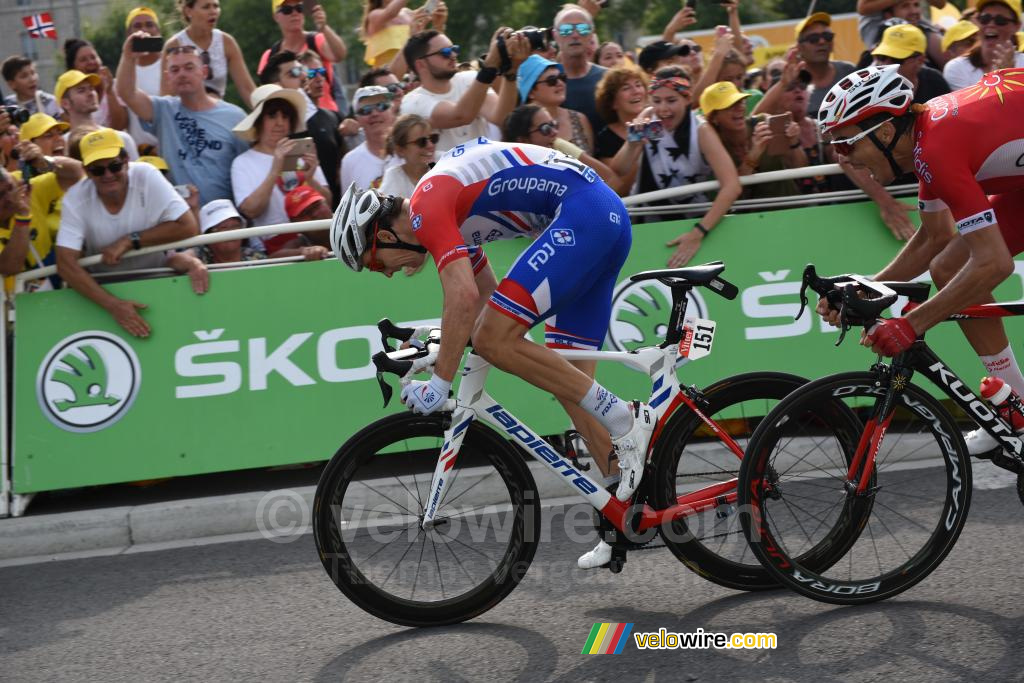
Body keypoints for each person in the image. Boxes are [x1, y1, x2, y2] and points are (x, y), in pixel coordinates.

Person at [329, 137, 655, 571]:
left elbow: (464, 299)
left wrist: (441, 384)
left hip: (584, 218)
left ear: (384, 234)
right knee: (567, 381)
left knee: (496, 341)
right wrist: (434, 346)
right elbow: (483, 298)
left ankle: (626, 419)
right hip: (595, 218)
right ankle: (625, 509)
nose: (386, 273)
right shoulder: (448, 215)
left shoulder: (426, 206)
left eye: (374, 262)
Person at [816, 65, 1024, 456]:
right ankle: (1017, 404)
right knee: (947, 267)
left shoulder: (936, 148)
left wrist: (911, 324)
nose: (843, 159)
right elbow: (933, 238)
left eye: (846, 144)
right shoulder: (925, 140)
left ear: (883, 132)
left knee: (973, 263)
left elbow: (994, 263)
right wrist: (865, 287)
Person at [55, 129, 203, 337]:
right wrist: (113, 305)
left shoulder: (147, 174)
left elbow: (188, 226)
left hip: (159, 277)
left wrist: (131, 240)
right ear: (87, 171)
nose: (107, 175)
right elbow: (65, 264)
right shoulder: (75, 198)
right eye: (98, 170)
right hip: (104, 289)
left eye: (114, 166)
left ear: (126, 160)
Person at [609, 71, 743, 265]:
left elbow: (732, 186)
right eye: (656, 100)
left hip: (692, 219)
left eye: (671, 100)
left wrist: (698, 233)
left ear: (687, 99)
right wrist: (632, 144)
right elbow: (619, 169)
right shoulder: (648, 118)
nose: (663, 109)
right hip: (647, 219)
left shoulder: (701, 130)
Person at [117, 35, 250, 205]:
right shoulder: (163, 110)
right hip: (182, 217)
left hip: (225, 219)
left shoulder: (235, 116)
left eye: (189, 67)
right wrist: (128, 56)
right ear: (167, 77)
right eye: (175, 70)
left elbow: (247, 169)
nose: (182, 74)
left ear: (204, 72)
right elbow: (127, 93)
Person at [400, 29, 526, 153]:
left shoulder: (470, 79)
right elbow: (461, 116)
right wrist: (489, 66)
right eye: (445, 52)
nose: (453, 55)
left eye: (454, 49)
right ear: (420, 64)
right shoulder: (411, 102)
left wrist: (511, 70)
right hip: (448, 173)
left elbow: (501, 118)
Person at [231, 84, 330, 227]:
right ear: (258, 121)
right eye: (272, 116)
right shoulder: (242, 163)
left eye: (285, 116)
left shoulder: (302, 154)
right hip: (272, 244)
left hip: (313, 238)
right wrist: (275, 170)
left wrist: (310, 179)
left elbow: (328, 202)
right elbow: (250, 211)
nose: (280, 123)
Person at [701, 80, 805, 199]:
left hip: (791, 208)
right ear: (714, 117)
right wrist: (754, 153)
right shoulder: (712, 146)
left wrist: (794, 142)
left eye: (740, 101)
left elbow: (800, 168)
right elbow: (734, 192)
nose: (739, 108)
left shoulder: (764, 123)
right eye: (729, 106)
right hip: (748, 215)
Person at [258, 0, 348, 113]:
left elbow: (339, 55)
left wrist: (324, 28)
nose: (294, 13)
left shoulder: (316, 40)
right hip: (293, 121)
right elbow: (264, 96)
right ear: (276, 16)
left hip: (327, 118)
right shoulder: (270, 56)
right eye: (287, 10)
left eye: (299, 8)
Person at [162, 0, 257, 105]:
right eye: (206, 7)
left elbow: (247, 89)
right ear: (189, 11)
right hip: (184, 115)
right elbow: (166, 96)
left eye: (216, 6)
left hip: (218, 113)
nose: (213, 11)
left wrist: (266, 111)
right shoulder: (174, 45)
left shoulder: (227, 42)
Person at [501, 104, 619, 187]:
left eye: (554, 124)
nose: (555, 132)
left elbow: (610, 179)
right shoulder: (511, 176)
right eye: (546, 129)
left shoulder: (559, 148)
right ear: (522, 141)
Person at [56, 70, 140, 160]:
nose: (91, 93)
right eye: (81, 90)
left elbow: (135, 173)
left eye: (91, 88)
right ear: (65, 103)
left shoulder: (121, 138)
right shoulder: (62, 146)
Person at [519, 55, 594, 154]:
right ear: (531, 92)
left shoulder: (579, 119)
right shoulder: (521, 128)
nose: (560, 83)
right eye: (551, 80)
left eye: (562, 78)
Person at [592, 66, 650, 194]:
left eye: (638, 85)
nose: (636, 91)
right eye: (626, 88)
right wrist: (636, 144)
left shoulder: (662, 123)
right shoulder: (605, 138)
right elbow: (617, 189)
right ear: (613, 103)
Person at [943, 0, 1024, 90]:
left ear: (1017, 26)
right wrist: (999, 77)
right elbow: (973, 104)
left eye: (1000, 20)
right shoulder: (957, 68)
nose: (991, 24)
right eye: (985, 19)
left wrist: (1009, 76)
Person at [553, 4, 607, 135]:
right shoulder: (545, 83)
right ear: (555, 35)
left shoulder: (608, 79)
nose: (575, 35)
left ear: (592, 34)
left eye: (582, 29)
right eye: (566, 30)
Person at [796, 13, 858, 118]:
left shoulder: (850, 73)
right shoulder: (793, 84)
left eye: (827, 36)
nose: (822, 41)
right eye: (813, 38)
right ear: (799, 47)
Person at [339, 86, 401, 191]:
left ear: (392, 111)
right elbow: (349, 206)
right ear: (357, 118)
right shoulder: (349, 161)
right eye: (366, 110)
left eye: (382, 106)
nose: (374, 113)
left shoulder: (410, 149)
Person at [871, 24, 950, 104]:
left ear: (920, 60)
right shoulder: (868, 85)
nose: (886, 64)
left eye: (896, 59)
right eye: (882, 56)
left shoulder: (935, 82)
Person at [64, 38, 129, 131]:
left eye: (93, 57)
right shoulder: (68, 95)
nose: (91, 62)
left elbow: (120, 125)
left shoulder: (116, 86)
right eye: (83, 60)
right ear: (73, 67)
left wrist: (110, 91)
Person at [125, 7, 165, 153]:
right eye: (137, 26)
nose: (144, 30)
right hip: (141, 153)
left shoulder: (172, 65)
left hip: (172, 148)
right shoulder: (125, 71)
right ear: (128, 35)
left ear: (158, 31)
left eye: (149, 25)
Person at [262, 185, 331, 259]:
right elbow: (274, 257)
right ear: (294, 222)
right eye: (305, 213)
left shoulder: (344, 222)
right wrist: (304, 252)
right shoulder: (299, 243)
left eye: (316, 206)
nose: (314, 214)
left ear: (326, 203)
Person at [380, 113, 436, 198]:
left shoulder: (445, 163)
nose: (430, 145)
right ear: (401, 150)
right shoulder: (393, 177)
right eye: (421, 142)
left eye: (433, 138)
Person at [195, 198, 267, 264]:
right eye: (223, 228)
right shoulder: (199, 258)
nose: (231, 232)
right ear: (208, 233)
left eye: (235, 226)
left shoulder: (257, 259)